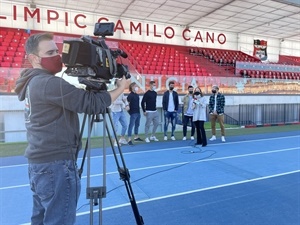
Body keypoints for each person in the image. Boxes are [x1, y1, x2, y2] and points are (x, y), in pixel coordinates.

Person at [14, 33, 128, 225]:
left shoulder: (32, 82)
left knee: (40, 220)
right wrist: (121, 88)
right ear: (33, 58)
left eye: (56, 51)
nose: (57, 57)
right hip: (56, 165)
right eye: (50, 53)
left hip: (40, 164)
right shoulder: (48, 83)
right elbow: (92, 104)